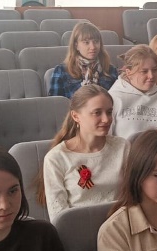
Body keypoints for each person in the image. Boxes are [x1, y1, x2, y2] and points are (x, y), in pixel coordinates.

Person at [36, 84, 131, 221]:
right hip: (79, 228)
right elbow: (59, 216)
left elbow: (132, 196)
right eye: (97, 113)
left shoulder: (122, 147)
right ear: (76, 116)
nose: (106, 119)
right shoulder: (56, 158)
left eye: (109, 112)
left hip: (120, 224)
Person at [108, 45, 157, 139]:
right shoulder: (113, 98)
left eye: (154, 70)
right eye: (144, 71)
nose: (151, 76)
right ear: (129, 73)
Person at [48, 22, 119, 98]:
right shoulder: (61, 70)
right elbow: (55, 103)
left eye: (96, 42)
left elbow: (117, 101)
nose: (93, 47)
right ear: (76, 45)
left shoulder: (110, 70)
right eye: (86, 42)